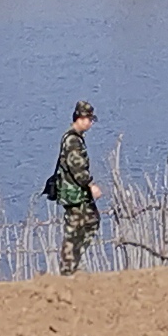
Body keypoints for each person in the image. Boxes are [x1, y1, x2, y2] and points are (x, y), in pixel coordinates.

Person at [48, 104, 101, 274]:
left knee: (90, 222)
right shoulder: (73, 141)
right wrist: (91, 185)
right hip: (74, 194)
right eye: (89, 119)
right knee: (74, 230)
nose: (90, 123)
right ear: (80, 119)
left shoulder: (74, 138)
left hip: (76, 193)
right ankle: (68, 268)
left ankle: (74, 264)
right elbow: (77, 168)